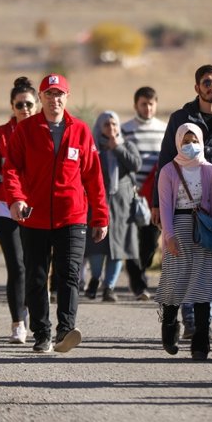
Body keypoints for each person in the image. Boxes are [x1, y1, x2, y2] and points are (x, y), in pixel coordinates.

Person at [2, 73, 109, 353]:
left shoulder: (81, 131)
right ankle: (42, 333)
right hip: (34, 217)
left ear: (66, 97)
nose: (54, 99)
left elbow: (94, 178)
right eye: (49, 94)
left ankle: (65, 331)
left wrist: (100, 217)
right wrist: (16, 199)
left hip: (72, 216)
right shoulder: (26, 130)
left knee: (69, 274)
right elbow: (11, 169)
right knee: (36, 276)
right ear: (41, 98)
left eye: (59, 94)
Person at [154, 64, 212, 341]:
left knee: (207, 267)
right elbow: (165, 161)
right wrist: (158, 205)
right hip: (181, 207)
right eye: (206, 81)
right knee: (182, 265)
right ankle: (189, 321)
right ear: (197, 87)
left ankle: (201, 323)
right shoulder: (180, 119)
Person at [155, 123, 212, 360]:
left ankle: (201, 343)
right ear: (177, 142)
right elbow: (165, 208)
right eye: (185, 141)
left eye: (194, 140)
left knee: (203, 289)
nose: (190, 145)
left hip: (204, 231)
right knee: (175, 284)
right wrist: (169, 236)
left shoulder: (211, 171)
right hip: (178, 227)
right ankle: (169, 327)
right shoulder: (168, 171)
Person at [0, 77, 37, 343]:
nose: (25, 108)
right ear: (12, 106)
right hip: (4, 206)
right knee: (16, 264)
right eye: (19, 104)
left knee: (33, 262)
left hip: (36, 207)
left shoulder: (45, 131)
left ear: (36, 104)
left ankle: (35, 313)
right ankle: (18, 322)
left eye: (29, 104)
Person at [85, 111, 141, 302]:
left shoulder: (127, 145)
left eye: (114, 124)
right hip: (98, 204)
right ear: (99, 127)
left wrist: (117, 148)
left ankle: (109, 287)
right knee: (97, 247)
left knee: (119, 248)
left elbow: (135, 165)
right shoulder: (92, 148)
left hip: (122, 205)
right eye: (107, 125)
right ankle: (95, 278)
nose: (111, 128)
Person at [121, 86, 167, 301]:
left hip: (155, 197)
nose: (147, 108)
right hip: (132, 195)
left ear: (156, 105)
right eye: (143, 104)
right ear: (135, 105)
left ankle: (143, 267)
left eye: (151, 104)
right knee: (131, 240)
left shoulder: (164, 129)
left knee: (150, 240)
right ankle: (138, 284)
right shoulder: (126, 129)